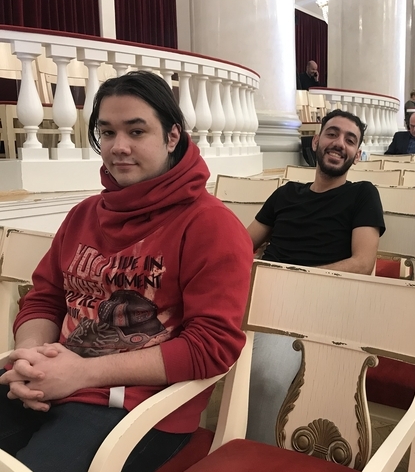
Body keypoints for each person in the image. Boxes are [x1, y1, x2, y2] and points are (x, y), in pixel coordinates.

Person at [0, 72, 253, 472]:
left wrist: (82, 373)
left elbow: (211, 347)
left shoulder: (211, 226)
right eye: (107, 132)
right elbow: (45, 298)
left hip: (140, 409)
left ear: (172, 136)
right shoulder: (83, 214)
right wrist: (31, 356)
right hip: (54, 379)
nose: (118, 147)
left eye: (136, 131)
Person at [245, 109, 385, 445]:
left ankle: (253, 456)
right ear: (316, 141)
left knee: (265, 377)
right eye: (332, 134)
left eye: (350, 140)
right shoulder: (286, 194)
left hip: (315, 305)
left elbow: (362, 263)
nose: (339, 143)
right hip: (260, 295)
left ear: (357, 153)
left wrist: (292, 279)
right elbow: (241, 244)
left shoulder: (362, 194)